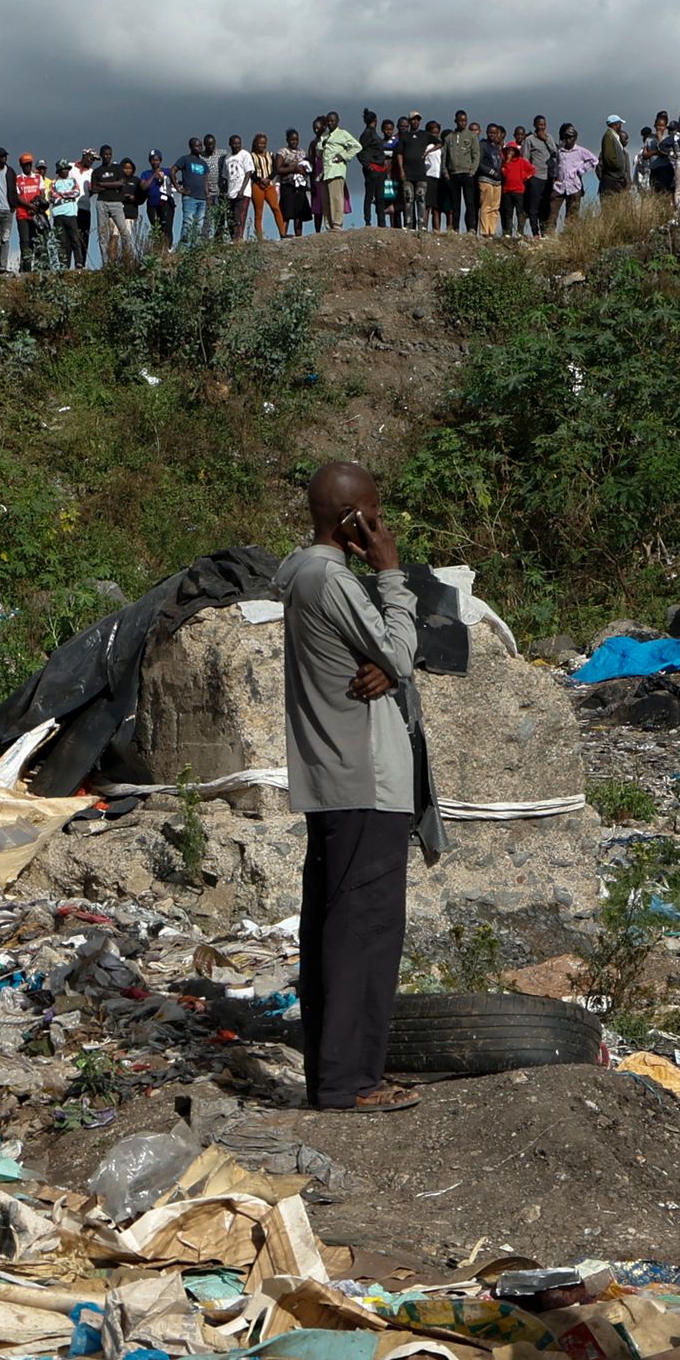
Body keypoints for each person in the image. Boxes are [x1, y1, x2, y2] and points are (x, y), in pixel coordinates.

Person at [281, 463, 436, 1115]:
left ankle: (335, 1076)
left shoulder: (301, 575)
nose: (381, 526)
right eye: (374, 514)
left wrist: (388, 662)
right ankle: (352, 1082)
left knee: (335, 925)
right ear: (353, 522)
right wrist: (392, 573)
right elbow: (399, 653)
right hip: (365, 779)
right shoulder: (331, 579)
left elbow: (387, 660)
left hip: (334, 777)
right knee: (364, 933)